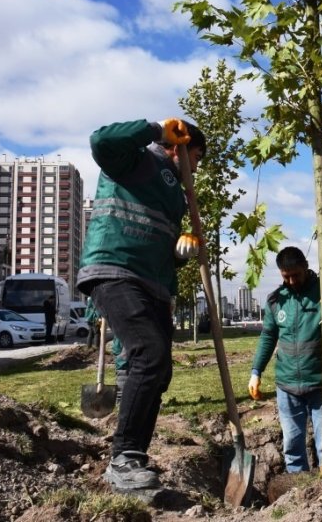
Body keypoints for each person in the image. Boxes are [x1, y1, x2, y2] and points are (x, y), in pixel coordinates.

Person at [77, 118, 205, 492]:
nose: (196, 169)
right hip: (115, 269)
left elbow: (162, 249)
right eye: (196, 158)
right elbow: (101, 141)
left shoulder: (176, 194)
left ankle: (134, 457)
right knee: (149, 354)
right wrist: (155, 129)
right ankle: (123, 458)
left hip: (153, 284)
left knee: (159, 370)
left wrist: (180, 253)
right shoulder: (135, 160)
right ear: (178, 147)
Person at [248, 246, 322, 472]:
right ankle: (297, 485)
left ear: (306, 266)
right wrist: (256, 372)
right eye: (286, 276)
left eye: (296, 275)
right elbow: (268, 337)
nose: (291, 281)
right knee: (292, 444)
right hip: (287, 384)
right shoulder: (276, 300)